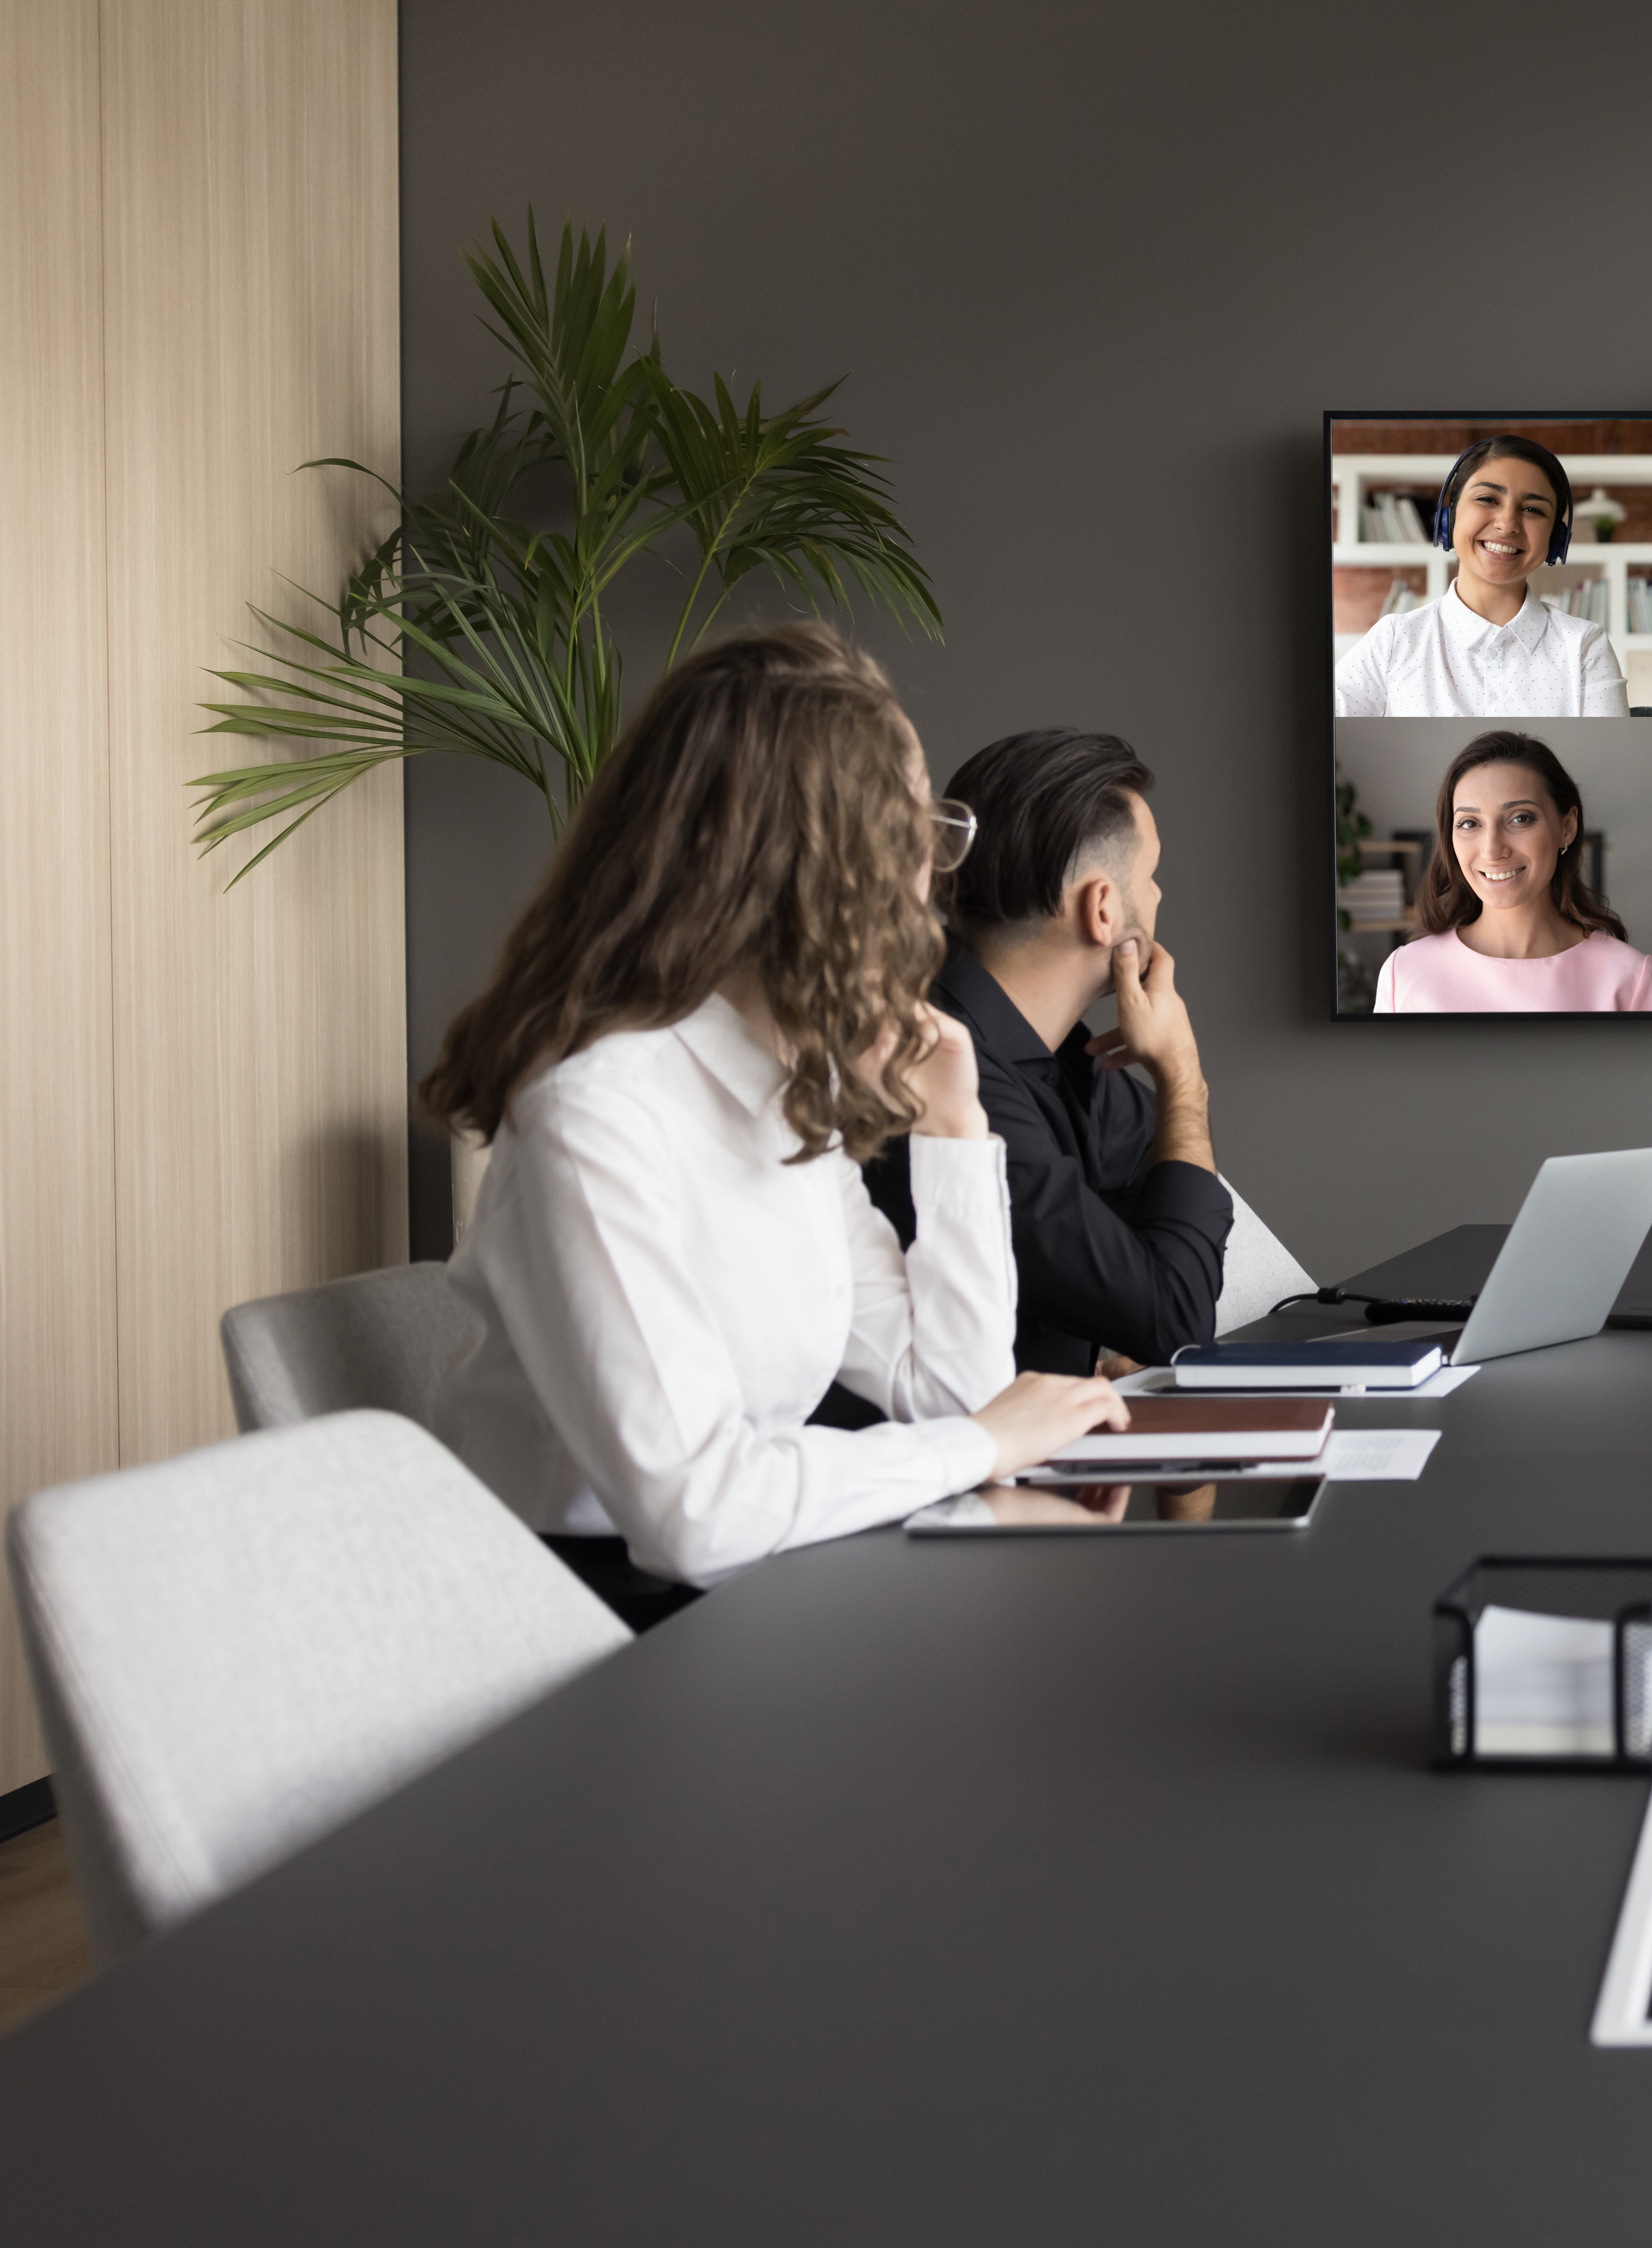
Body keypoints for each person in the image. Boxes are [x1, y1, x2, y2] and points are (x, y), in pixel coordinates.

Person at [427, 625, 1135, 1621]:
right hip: (575, 1622)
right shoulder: (592, 1115)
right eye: (914, 832)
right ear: (815, 868)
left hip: (738, 1587)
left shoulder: (783, 1094)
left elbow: (953, 1393)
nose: (933, 876)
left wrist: (954, 1126)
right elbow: (694, 1510)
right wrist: (983, 1443)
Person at [869, 728, 1230, 1378]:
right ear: (1102, 909)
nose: (1157, 896)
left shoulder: (1058, 1056)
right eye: (1151, 875)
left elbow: (1168, 1227)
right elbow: (1176, 1319)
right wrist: (1182, 1076)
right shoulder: (948, 1079)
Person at [1374, 730, 1652, 1013]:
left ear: (1567, 827)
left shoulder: (1630, 979)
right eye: (1469, 823)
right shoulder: (1405, 973)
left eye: (1520, 819)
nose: (1492, 851)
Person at [1333, 434, 1627, 717]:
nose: (1507, 525)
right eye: (1487, 499)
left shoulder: (1585, 646)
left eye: (1532, 509)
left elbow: (1612, 751)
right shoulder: (1394, 641)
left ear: (1556, 540)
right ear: (1450, 519)